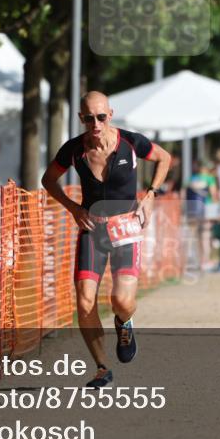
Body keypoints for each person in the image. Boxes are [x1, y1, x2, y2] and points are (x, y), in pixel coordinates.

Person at [41, 91, 171, 388]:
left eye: (101, 117)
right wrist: (73, 208)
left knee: (121, 301)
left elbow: (164, 158)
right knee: (85, 303)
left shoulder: (131, 143)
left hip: (126, 230)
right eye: (89, 118)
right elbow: (48, 180)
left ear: (110, 114)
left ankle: (124, 321)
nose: (95, 124)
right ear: (81, 119)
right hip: (92, 230)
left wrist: (151, 194)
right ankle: (102, 368)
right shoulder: (73, 150)